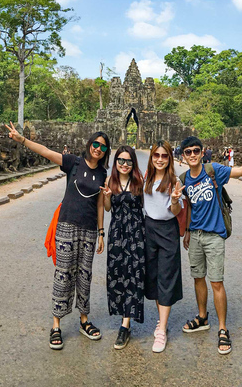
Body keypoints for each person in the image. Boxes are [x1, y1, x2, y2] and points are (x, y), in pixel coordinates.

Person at [6, 122, 109, 350]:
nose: (97, 149)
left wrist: (102, 233)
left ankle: (84, 320)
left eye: (102, 147)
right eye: (95, 144)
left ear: (105, 152)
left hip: (89, 230)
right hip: (66, 227)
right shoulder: (74, 162)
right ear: (89, 144)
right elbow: (45, 151)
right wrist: (22, 140)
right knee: (63, 274)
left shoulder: (103, 174)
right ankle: (56, 325)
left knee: (85, 276)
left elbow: (100, 205)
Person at [180, 135, 242, 355]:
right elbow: (189, 205)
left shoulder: (213, 170)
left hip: (214, 235)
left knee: (216, 282)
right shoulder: (183, 178)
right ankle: (203, 317)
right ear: (183, 156)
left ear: (202, 153)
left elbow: (238, 172)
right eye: (188, 152)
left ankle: (222, 328)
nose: (192, 154)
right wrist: (186, 232)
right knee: (198, 277)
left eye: (196, 151)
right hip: (195, 235)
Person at [101, 145, 145, 350]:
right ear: (115, 162)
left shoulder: (139, 181)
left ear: (133, 163)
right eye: (120, 160)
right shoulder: (111, 181)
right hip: (117, 235)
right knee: (118, 276)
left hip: (136, 234)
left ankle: (125, 324)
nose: (124, 164)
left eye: (128, 161)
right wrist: (108, 196)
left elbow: (148, 206)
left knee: (134, 276)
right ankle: (123, 315)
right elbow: (108, 208)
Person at [142, 140, 184, 353]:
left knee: (166, 278)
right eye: (156, 155)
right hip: (149, 230)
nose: (159, 159)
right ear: (151, 157)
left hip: (167, 230)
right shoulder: (146, 178)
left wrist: (175, 200)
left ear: (170, 158)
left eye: (164, 156)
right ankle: (161, 322)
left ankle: (162, 329)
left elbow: (176, 212)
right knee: (154, 277)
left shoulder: (173, 181)